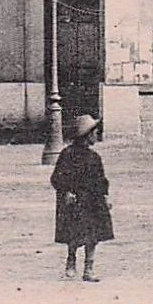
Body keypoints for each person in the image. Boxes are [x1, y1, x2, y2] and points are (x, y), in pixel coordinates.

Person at [50, 114, 113, 282]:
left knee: (93, 235)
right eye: (94, 132)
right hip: (76, 200)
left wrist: (105, 196)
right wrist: (66, 192)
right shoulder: (67, 154)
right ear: (87, 135)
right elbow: (57, 177)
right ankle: (71, 261)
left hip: (93, 200)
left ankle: (89, 269)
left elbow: (101, 179)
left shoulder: (95, 157)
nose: (96, 135)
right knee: (75, 234)